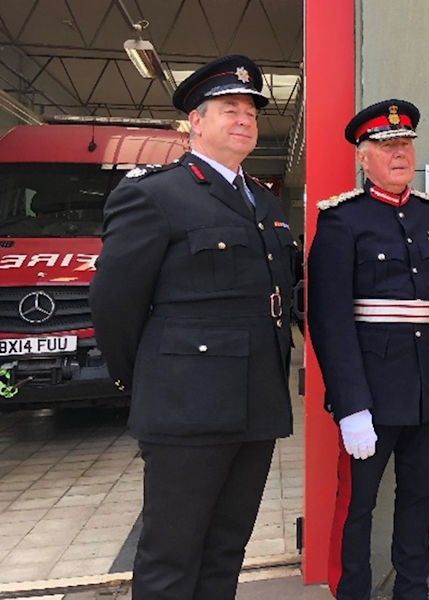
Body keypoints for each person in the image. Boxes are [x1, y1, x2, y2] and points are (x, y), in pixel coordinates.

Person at [89, 55, 296, 599]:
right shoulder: (155, 194)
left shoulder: (266, 203)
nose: (244, 119)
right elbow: (114, 303)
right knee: (171, 557)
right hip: (185, 409)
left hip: (255, 404)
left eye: (251, 110)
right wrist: (150, 384)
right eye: (229, 109)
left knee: (226, 551)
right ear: (194, 123)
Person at [308, 99, 429, 600]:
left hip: (428, 392)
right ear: (364, 159)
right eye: (386, 146)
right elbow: (329, 321)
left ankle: (413, 591)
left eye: (405, 143)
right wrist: (350, 405)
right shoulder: (343, 221)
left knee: (418, 500)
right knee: (357, 506)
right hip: (370, 397)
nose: (399, 153)